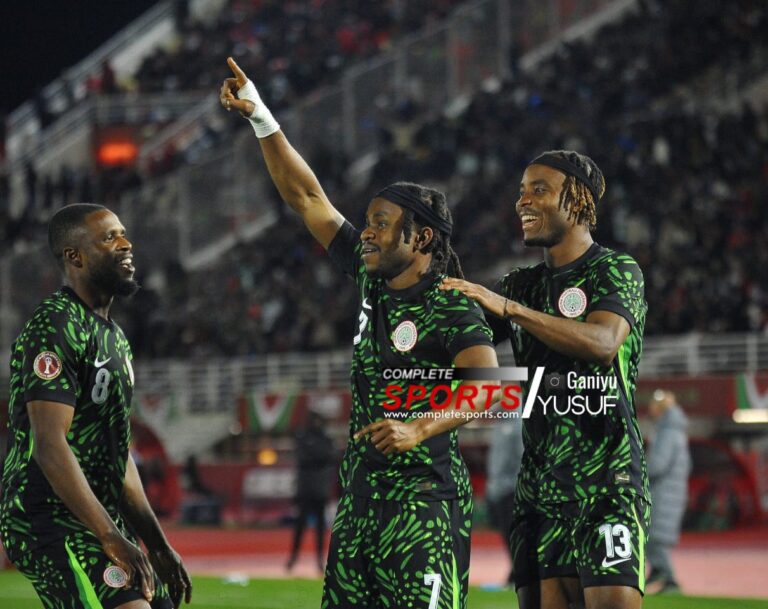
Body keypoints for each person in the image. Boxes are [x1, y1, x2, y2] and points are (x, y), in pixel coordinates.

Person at [220, 56, 499, 609]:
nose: (366, 234)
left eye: (380, 225)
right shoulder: (372, 279)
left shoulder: (452, 303)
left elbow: (492, 387)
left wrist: (419, 428)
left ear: (421, 238)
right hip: (359, 505)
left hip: (424, 507)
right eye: (368, 223)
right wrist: (261, 117)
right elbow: (307, 198)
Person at [442, 150, 650, 609]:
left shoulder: (616, 269)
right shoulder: (522, 284)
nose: (523, 201)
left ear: (577, 201)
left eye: (539, 189)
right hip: (539, 490)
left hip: (606, 481)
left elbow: (602, 342)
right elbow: (459, 347)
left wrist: (509, 309)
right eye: (521, 191)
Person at [0, 203, 192, 609]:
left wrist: (158, 544)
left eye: (122, 233)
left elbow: (117, 455)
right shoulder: (55, 324)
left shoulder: (116, 339)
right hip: (49, 516)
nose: (126, 243)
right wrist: (109, 535)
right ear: (75, 256)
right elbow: (50, 444)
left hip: (97, 516)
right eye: (109, 237)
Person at [645, 389, 690, 594]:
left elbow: (657, 466)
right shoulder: (675, 431)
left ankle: (668, 578)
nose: (650, 408)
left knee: (654, 536)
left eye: (653, 405)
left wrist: (637, 474)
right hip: (670, 491)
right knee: (654, 536)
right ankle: (659, 573)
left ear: (660, 408)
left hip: (663, 493)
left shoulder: (667, 433)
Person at [286, 411, 335, 573]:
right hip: (306, 489)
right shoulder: (304, 437)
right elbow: (307, 457)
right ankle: (293, 558)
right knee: (300, 526)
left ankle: (320, 560)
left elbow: (329, 455)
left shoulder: (324, 438)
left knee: (320, 527)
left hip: (319, 489)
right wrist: (319, 457)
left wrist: (315, 454)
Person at [485, 414, 524, 587]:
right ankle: (516, 569)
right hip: (498, 489)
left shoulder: (518, 421)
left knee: (516, 534)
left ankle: (520, 571)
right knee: (507, 533)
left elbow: (523, 456)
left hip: (513, 489)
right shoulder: (500, 423)